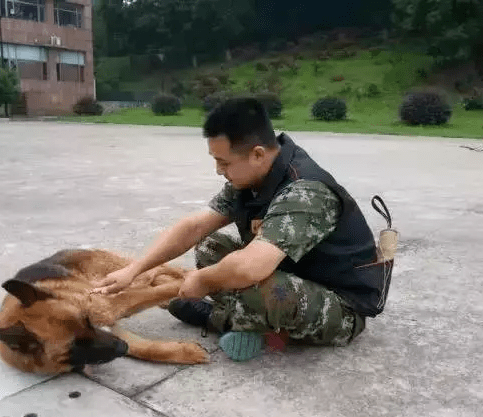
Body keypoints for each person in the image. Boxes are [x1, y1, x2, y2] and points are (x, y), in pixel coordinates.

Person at [93, 98, 386, 361]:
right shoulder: (252, 178)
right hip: (294, 273)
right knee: (211, 248)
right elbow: (196, 226)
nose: (219, 170)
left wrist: (204, 281)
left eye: (223, 162)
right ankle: (248, 317)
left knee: (256, 284)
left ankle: (219, 319)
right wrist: (135, 269)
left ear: (257, 154)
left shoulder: (305, 191)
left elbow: (250, 269)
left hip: (342, 307)